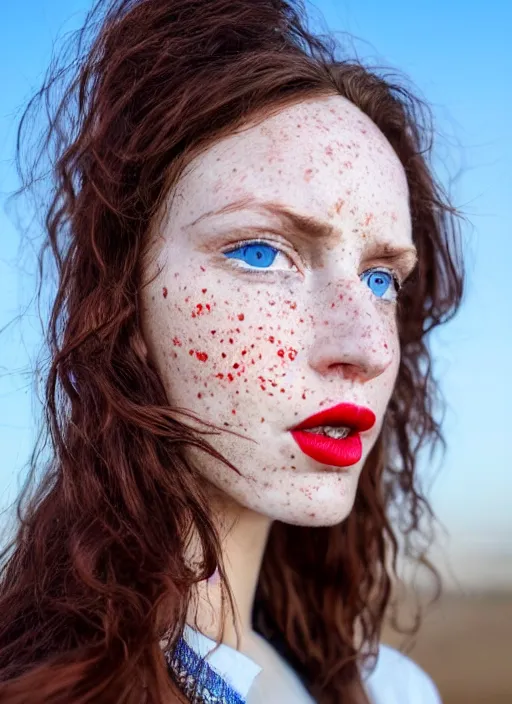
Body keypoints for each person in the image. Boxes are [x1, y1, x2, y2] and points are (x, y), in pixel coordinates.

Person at [0, 1, 464, 702]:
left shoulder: (393, 691)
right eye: (260, 252)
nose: (365, 347)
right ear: (124, 305)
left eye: (381, 279)